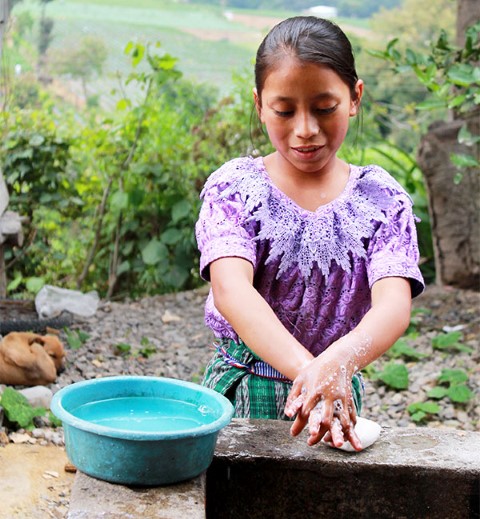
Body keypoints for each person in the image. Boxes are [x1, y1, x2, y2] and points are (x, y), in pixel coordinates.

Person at [195, 16, 424, 451]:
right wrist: (314, 373)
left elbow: (393, 307)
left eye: (324, 108)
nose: (305, 129)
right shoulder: (236, 190)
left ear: (354, 98)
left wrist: (338, 362)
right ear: (259, 103)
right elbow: (231, 289)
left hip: (337, 394)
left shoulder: (382, 200)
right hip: (245, 390)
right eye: (284, 111)